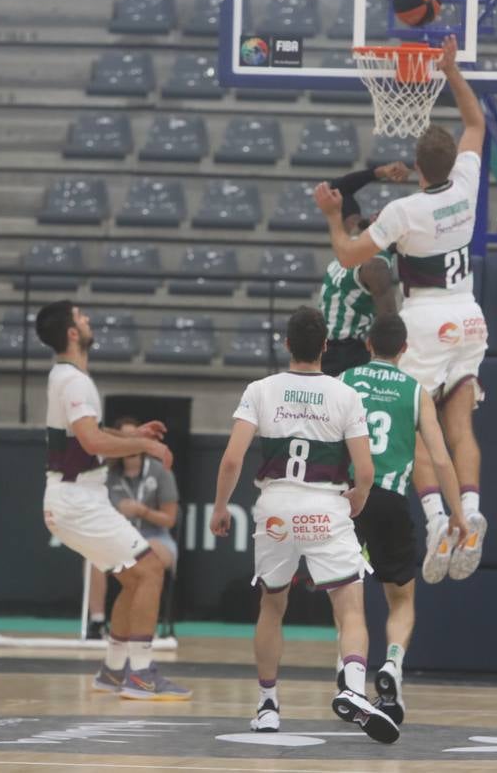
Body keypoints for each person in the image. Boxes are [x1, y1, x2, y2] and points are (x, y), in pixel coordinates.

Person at [315, 34, 489, 582]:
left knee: (419, 426)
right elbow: (477, 125)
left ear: (417, 166)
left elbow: (347, 255)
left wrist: (330, 214)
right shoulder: (467, 184)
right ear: (449, 161)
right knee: (461, 423)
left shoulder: (404, 211)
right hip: (470, 319)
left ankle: (439, 519)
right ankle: (473, 509)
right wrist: (451, 71)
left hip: (425, 321)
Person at [211, 306, 399, 743]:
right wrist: (358, 498)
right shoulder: (344, 394)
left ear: (287, 344)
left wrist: (221, 506)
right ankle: (352, 688)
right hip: (324, 506)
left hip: (275, 508)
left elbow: (232, 459)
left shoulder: (260, 389)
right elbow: (366, 470)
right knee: (349, 606)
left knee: (273, 606)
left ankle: (268, 705)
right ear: (326, 347)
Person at [34, 300, 190, 702]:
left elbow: (91, 432)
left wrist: (132, 433)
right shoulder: (74, 381)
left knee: (132, 577)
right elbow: (90, 441)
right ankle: (141, 675)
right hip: (77, 499)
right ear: (72, 333)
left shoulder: (68, 377)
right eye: (81, 317)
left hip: (77, 497)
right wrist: (143, 446)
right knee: (151, 567)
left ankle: (114, 670)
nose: (88, 322)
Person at [339, 312, 468, 726]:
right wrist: (456, 514)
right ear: (405, 349)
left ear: (368, 344)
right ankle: (392, 664)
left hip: (347, 500)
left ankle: (351, 674)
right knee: (401, 599)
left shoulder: (345, 380)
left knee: (347, 597)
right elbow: (441, 458)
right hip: (392, 501)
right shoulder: (415, 391)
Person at [86, 415, 182, 642]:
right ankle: (97, 621)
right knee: (94, 558)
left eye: (134, 437)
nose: (130, 445)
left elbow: (169, 520)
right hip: (120, 536)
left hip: (155, 535)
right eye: (125, 438)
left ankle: (144, 626)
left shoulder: (159, 472)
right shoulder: (107, 476)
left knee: (149, 556)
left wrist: (143, 511)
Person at [318, 161, 405, 378]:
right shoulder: (353, 232)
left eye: (384, 217)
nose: (378, 214)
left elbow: (388, 325)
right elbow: (337, 189)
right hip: (324, 347)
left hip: (347, 352)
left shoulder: (376, 264)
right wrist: (380, 172)